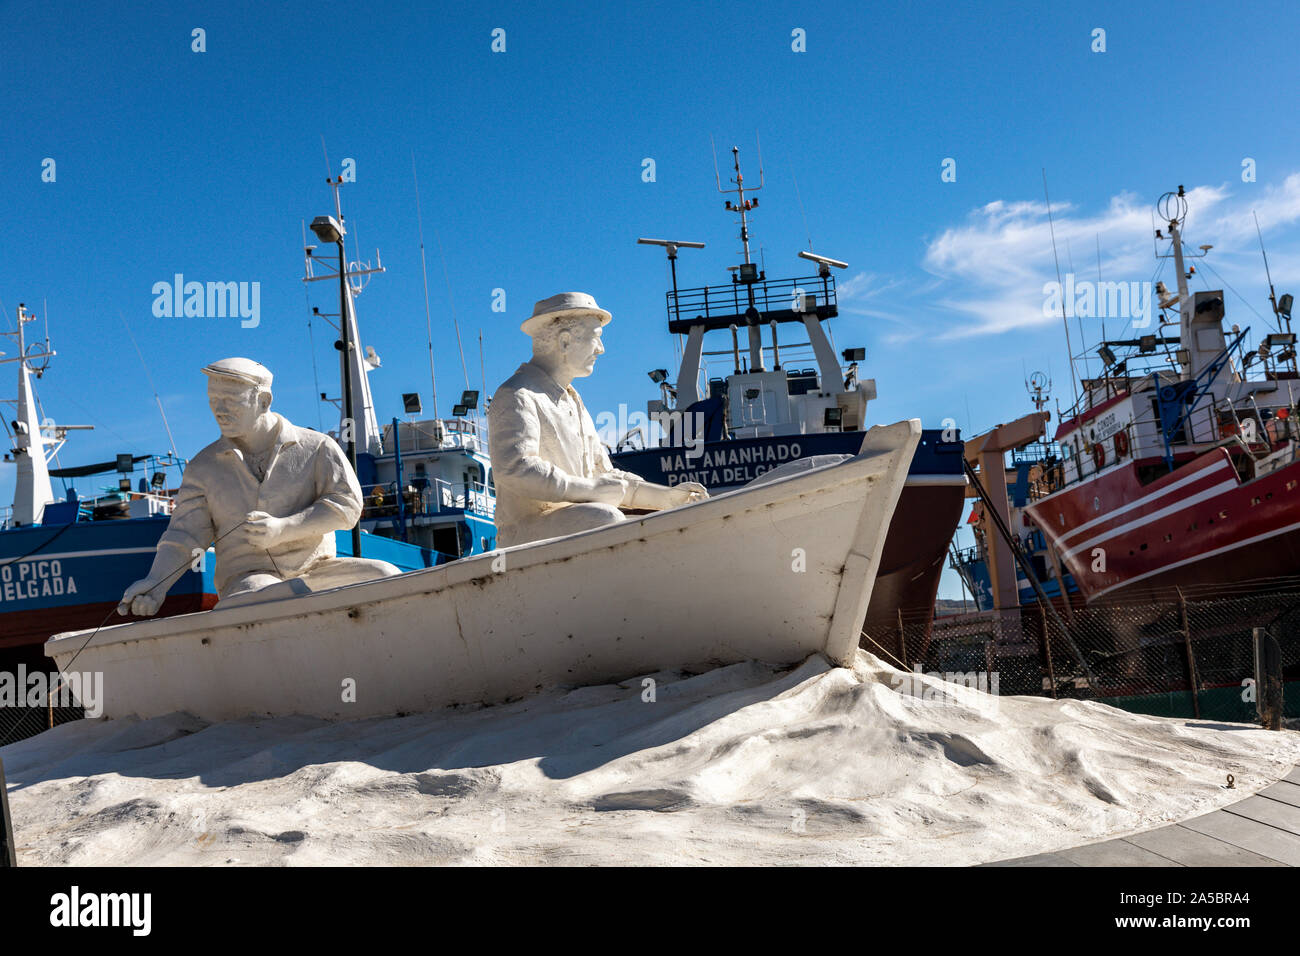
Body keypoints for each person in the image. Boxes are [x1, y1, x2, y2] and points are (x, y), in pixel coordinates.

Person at [118, 357, 400, 615]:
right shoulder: (202, 468)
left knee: (384, 576)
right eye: (213, 399)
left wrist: (284, 529)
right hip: (248, 579)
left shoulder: (317, 448)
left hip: (317, 569)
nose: (219, 410)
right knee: (273, 598)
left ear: (264, 401)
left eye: (230, 400)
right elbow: (185, 535)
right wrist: (156, 583)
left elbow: (347, 507)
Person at [488, 292, 707, 546]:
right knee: (605, 518)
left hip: (574, 524)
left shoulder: (573, 401)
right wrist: (590, 490)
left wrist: (667, 498)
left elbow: (606, 475)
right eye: (596, 338)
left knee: (658, 520)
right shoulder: (517, 395)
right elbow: (516, 469)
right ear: (565, 341)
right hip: (525, 534)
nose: (601, 349)